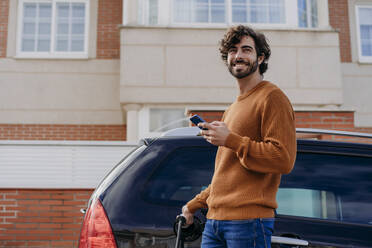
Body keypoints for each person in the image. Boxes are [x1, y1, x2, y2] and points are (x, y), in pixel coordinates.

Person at [182, 25, 297, 248]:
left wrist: (231, 139)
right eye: (233, 51)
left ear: (260, 57)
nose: (238, 56)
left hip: (248, 222)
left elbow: (283, 158)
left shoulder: (272, 97)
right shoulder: (232, 108)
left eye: (246, 50)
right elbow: (227, 173)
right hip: (214, 222)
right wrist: (193, 205)